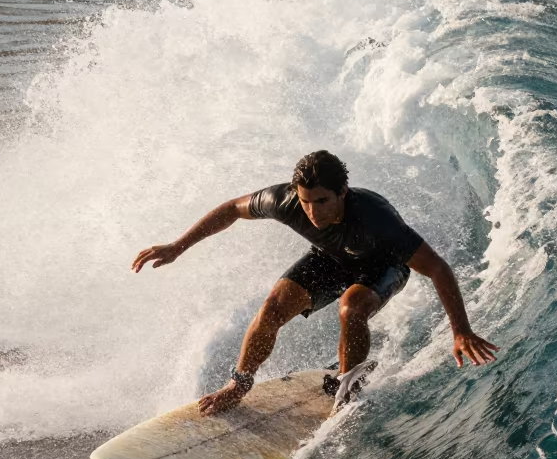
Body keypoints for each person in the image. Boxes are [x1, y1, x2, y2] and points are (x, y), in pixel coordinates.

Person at [133, 150, 498, 415]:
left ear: (343, 192)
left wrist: (461, 331)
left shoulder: (376, 219)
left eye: (322, 201)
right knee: (273, 308)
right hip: (331, 259)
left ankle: (346, 389)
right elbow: (232, 209)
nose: (313, 212)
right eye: (306, 202)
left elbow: (435, 267)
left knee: (351, 308)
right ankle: (239, 383)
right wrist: (178, 246)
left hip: (383, 266)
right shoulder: (285, 201)